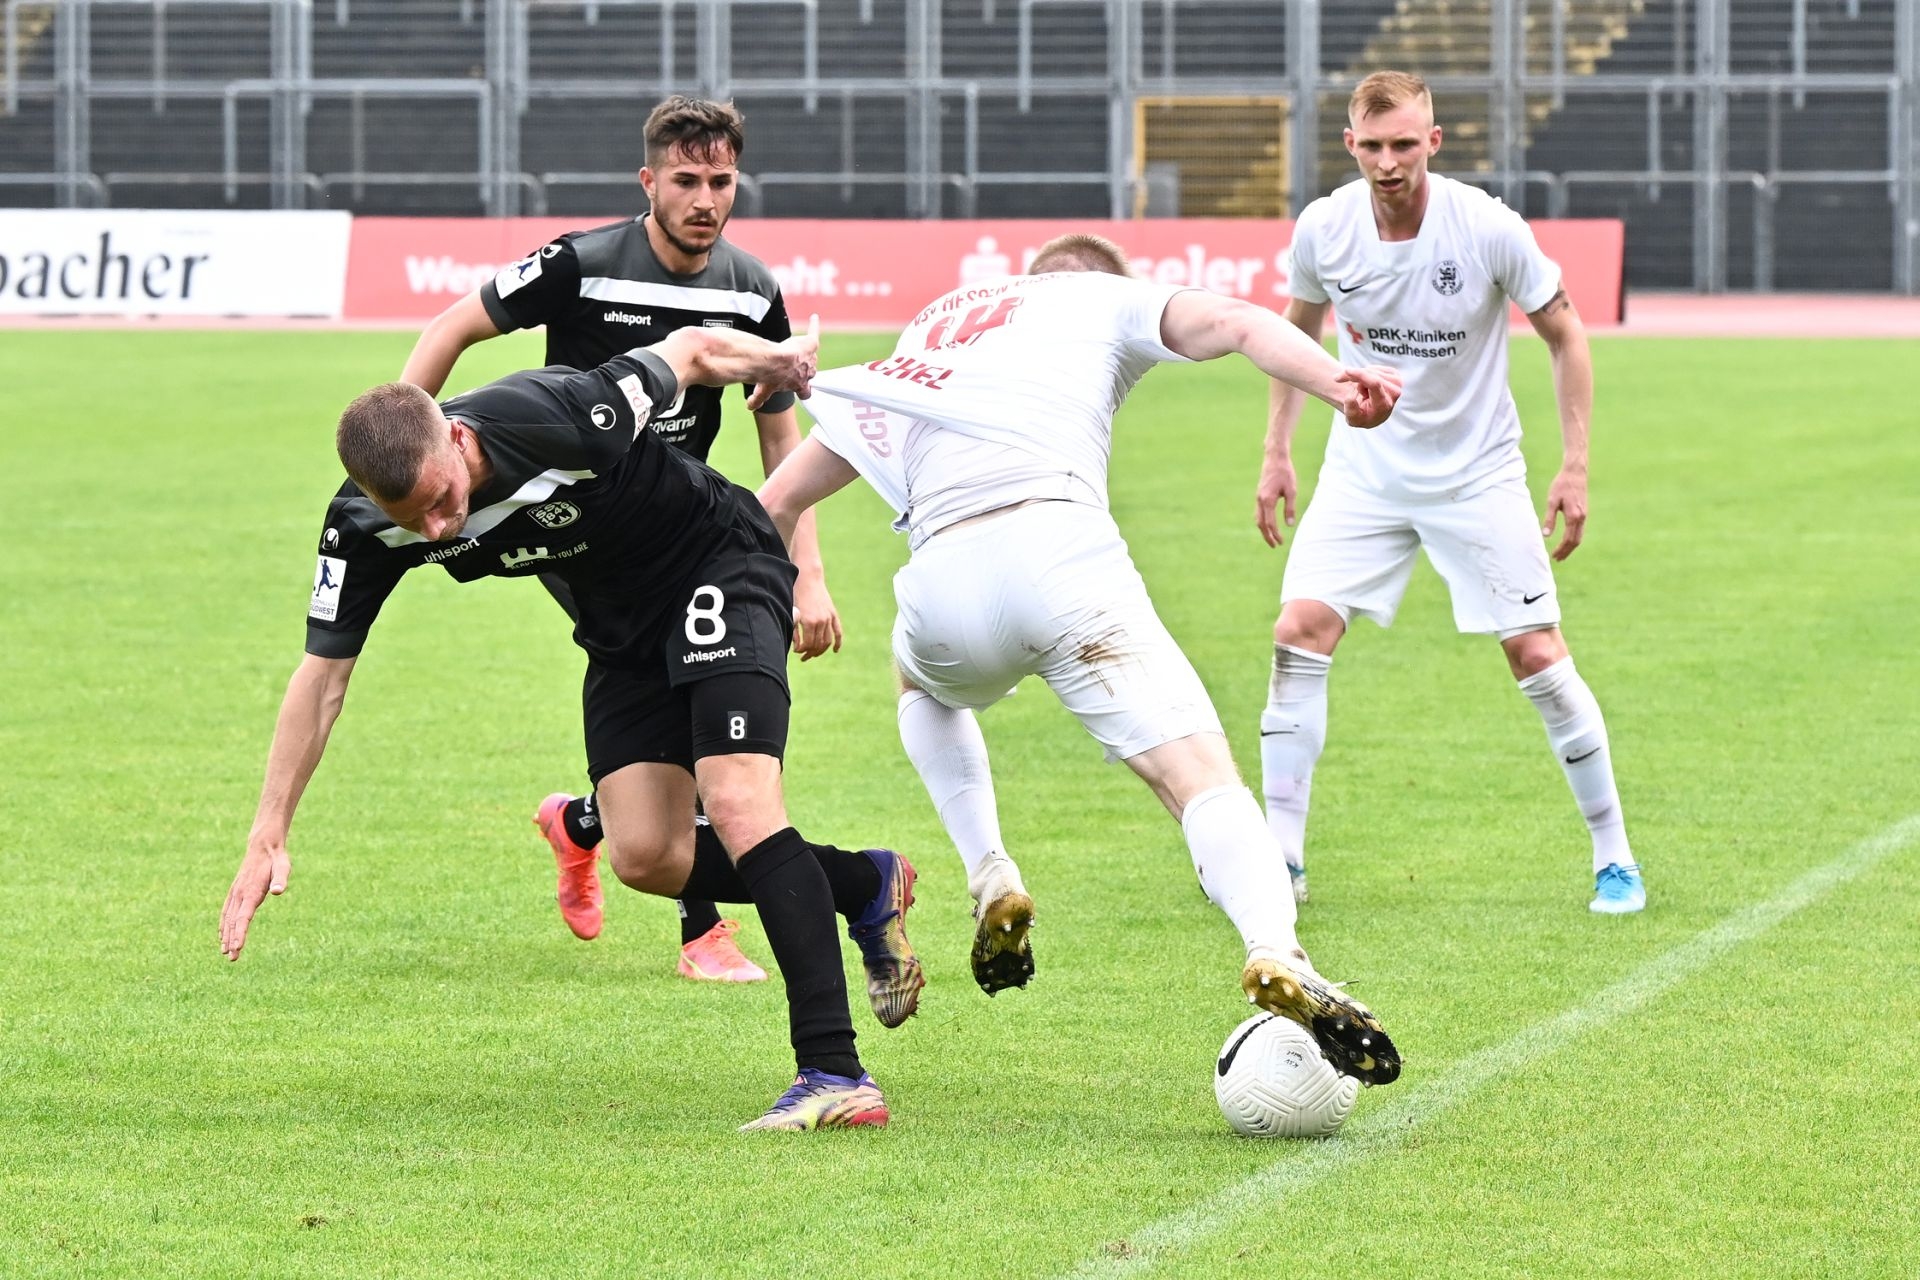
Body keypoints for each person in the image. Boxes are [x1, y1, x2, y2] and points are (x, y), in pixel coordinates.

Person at [219, 321, 923, 1131]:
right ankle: (865, 885)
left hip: (717, 562)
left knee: (737, 798)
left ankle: (834, 1071)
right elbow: (322, 679)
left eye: (442, 500)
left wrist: (778, 361)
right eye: (413, 518)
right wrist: (268, 830)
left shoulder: (557, 414)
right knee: (647, 855)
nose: (439, 530)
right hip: (621, 631)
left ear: (457, 438)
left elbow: (689, 352)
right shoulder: (363, 527)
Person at [756, 233, 1404, 1086]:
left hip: (943, 578)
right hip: (1060, 552)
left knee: (919, 682)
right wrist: (1338, 382)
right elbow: (1241, 323)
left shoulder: (933, 329)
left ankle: (990, 871)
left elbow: (778, 499)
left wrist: (748, 611)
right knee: (1198, 782)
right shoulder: (1102, 296)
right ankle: (1277, 949)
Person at [400, 94, 843, 979]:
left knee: (701, 696)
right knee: (693, 697)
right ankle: (702, 931)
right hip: (577, 526)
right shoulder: (580, 264)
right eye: (685, 181)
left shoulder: (752, 290)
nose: (705, 199)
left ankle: (583, 824)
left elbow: (779, 437)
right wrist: (407, 448)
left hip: (682, 527)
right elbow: (453, 326)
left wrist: (809, 572)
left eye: (721, 181)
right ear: (648, 181)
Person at [1253, 71, 1641, 914]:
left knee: (1536, 653)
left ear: (1433, 141)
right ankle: (1281, 860)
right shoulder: (1324, 228)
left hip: (1477, 475)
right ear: (1350, 145)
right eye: (1372, 146)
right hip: (1364, 474)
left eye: (1405, 144)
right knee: (1299, 632)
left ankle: (1615, 856)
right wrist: (1277, 450)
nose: (1388, 162)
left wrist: (1574, 465)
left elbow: (1566, 333)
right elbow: (1296, 332)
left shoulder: (1488, 227)